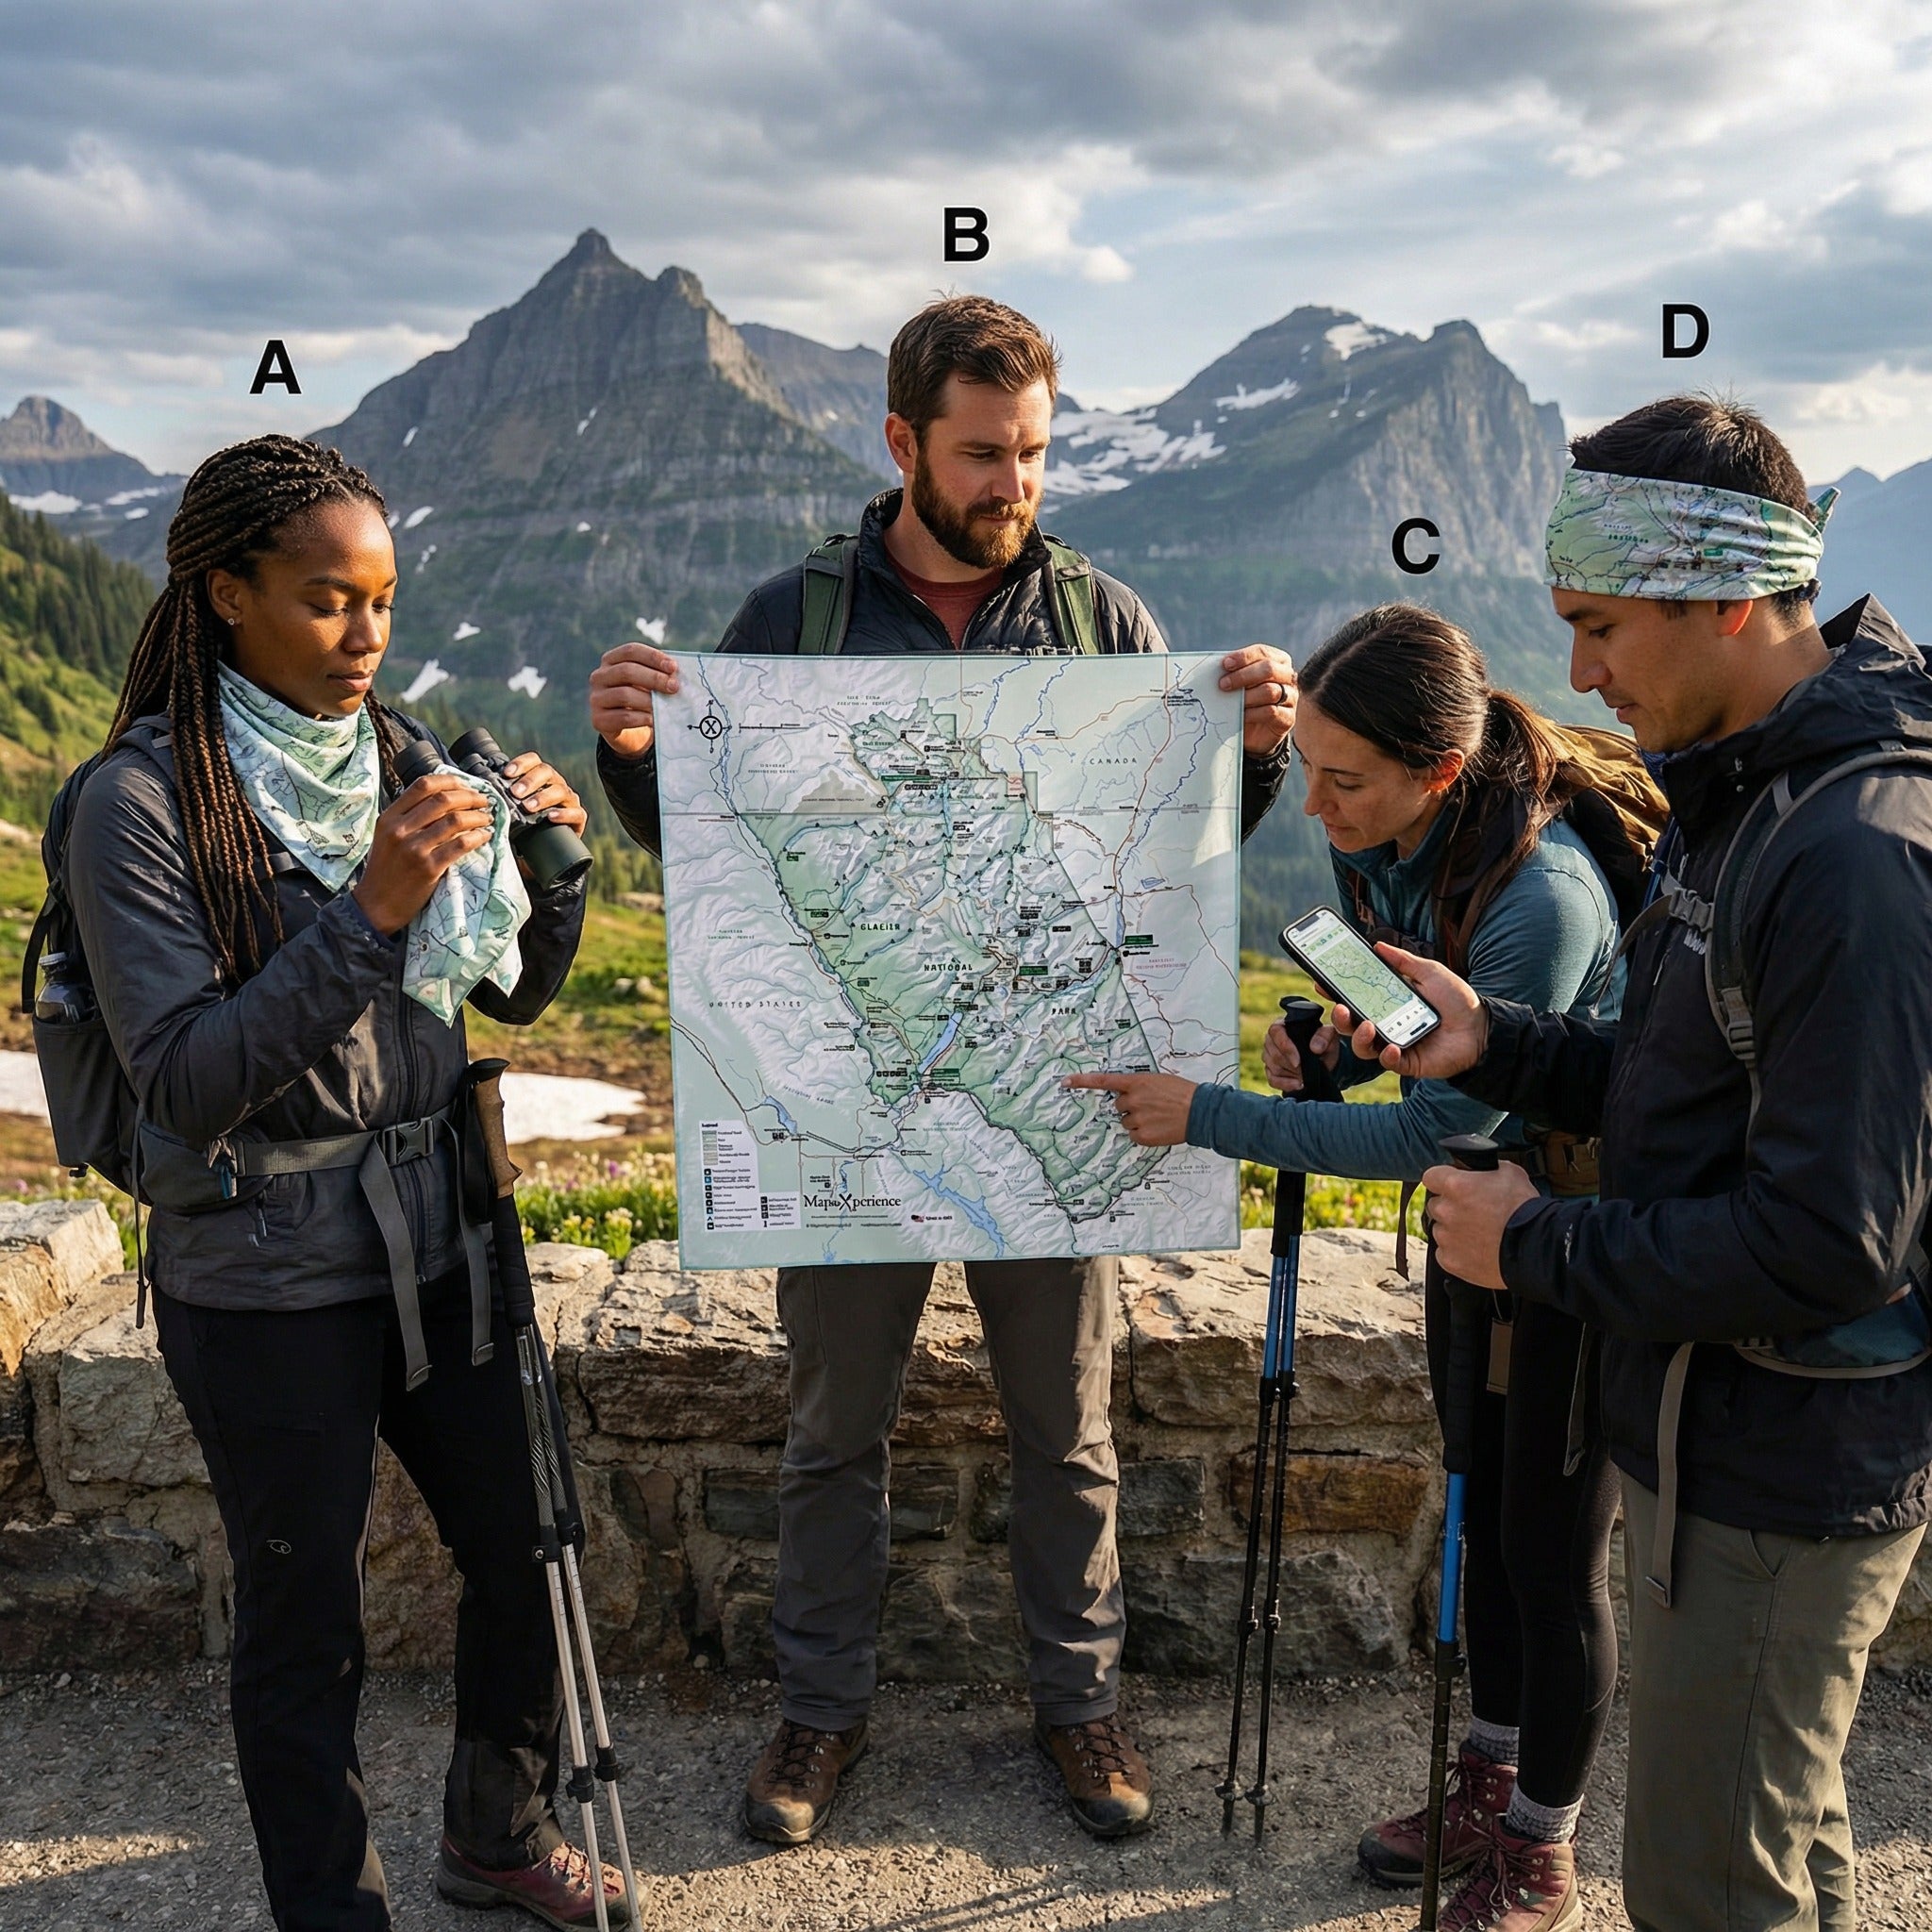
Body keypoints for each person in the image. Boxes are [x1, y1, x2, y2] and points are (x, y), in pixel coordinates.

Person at [589, 294, 1299, 1846]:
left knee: (1072, 1426)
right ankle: (818, 1720)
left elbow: (1165, 882)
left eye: (1036, 454)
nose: (1013, 486)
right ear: (903, 443)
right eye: (984, 456)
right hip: (861, 1099)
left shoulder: (1108, 621)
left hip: (1054, 1095)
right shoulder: (797, 619)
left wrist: (1248, 758)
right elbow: (720, 862)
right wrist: (633, 763)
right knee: (834, 1427)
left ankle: (1082, 1711)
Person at [1353, 398, 1932, 1932]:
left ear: (1729, 597)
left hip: (1777, 1464)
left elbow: (1828, 1240)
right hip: (1717, 1430)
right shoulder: (1736, 797)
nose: (1578, 674)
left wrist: (1533, 1244)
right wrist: (1510, 1049)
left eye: (1601, 626)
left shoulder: (1855, 857)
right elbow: (1691, 1092)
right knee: (1773, 1851)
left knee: (1705, 1889)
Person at [66, 436, 621, 1932]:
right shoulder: (135, 808)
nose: (366, 637)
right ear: (228, 594)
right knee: (304, 1621)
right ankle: (335, 1909)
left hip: (443, 1238)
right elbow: (187, 1077)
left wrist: (552, 864)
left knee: (525, 1550)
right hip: (261, 1272)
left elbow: (498, 998)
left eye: (380, 600)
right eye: (326, 602)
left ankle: (495, 1837)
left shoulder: (399, 751)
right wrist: (372, 905)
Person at [1069, 604, 1633, 1931]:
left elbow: (1442, 1125)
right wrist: (1330, 1042)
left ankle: (1541, 1850)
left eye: (1346, 780)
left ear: (1438, 771)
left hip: (1573, 1243)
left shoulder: (1539, 899)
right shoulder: (1396, 844)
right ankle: (1488, 1787)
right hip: (1470, 1233)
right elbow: (1405, 1029)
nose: (1314, 806)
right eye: (1308, 768)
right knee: (1483, 1526)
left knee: (1552, 1560)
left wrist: (1205, 1112)